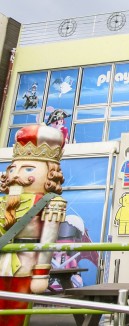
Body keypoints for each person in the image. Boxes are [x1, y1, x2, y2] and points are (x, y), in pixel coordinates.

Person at [0, 124, 67, 326]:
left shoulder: (51, 203)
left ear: (50, 173)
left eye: (28, 169)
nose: (16, 175)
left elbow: (47, 240)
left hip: (25, 265)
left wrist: (41, 273)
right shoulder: (3, 201)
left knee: (16, 311)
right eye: (13, 168)